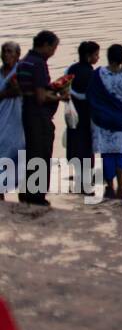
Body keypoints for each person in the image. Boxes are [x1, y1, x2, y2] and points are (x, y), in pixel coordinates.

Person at [16, 30, 67, 206]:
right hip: (38, 115)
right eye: (53, 47)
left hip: (25, 112)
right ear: (45, 45)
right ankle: (36, 196)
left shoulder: (23, 62)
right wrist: (61, 96)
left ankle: (25, 192)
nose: (53, 52)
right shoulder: (38, 64)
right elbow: (40, 97)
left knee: (30, 152)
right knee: (41, 153)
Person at [92, 44, 122, 202]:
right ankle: (121, 187)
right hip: (121, 121)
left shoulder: (100, 73)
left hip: (103, 121)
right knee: (120, 153)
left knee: (106, 154)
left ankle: (109, 186)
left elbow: (92, 96)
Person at [65, 41, 101, 201]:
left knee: (75, 143)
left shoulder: (71, 69)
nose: (97, 57)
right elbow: (92, 96)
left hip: (72, 115)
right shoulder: (90, 73)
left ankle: (79, 178)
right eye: (95, 55)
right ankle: (86, 183)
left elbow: (64, 87)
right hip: (86, 115)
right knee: (86, 146)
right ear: (88, 56)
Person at [0, 42, 24, 201]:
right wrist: (8, 92)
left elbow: (26, 91)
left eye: (9, 52)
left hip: (17, 120)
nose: (6, 55)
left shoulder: (21, 73)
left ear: (17, 56)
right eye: (3, 52)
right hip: (1, 120)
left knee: (18, 153)